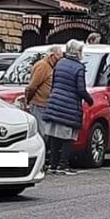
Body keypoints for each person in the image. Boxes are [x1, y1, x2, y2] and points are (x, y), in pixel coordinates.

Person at [43, 40, 93, 175]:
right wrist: (89, 100)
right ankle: (63, 165)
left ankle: (53, 164)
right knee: (67, 137)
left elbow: (54, 83)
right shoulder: (79, 67)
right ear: (78, 52)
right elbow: (81, 89)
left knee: (54, 137)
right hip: (69, 105)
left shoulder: (60, 63)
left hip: (55, 102)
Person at [24, 45, 63, 142]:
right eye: (59, 57)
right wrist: (28, 100)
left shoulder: (49, 66)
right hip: (39, 104)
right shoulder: (43, 66)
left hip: (45, 105)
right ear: (52, 56)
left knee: (45, 134)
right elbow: (32, 86)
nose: (60, 60)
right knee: (42, 134)